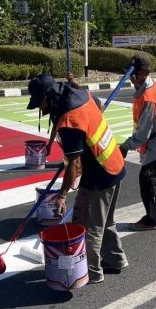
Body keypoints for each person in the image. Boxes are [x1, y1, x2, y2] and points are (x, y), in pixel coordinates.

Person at [26, 73, 127, 284]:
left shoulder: (70, 120)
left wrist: (62, 195)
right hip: (112, 162)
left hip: (101, 172)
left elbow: (72, 164)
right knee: (104, 220)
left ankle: (91, 272)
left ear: (48, 96)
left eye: (40, 103)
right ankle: (115, 259)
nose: (40, 109)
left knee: (90, 227)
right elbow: (97, 107)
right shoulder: (79, 93)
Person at [119, 55, 156, 231]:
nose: (131, 78)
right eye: (129, 74)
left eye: (134, 74)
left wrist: (125, 146)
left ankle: (152, 220)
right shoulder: (146, 87)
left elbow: (143, 133)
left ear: (144, 73)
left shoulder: (149, 96)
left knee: (148, 180)